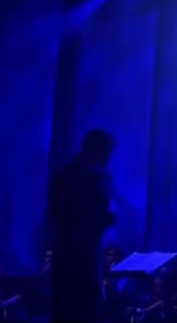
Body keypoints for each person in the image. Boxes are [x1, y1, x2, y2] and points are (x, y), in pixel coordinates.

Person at [47, 128, 116, 323]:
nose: (108, 159)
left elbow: (57, 214)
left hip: (63, 260)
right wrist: (107, 216)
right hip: (83, 261)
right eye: (107, 153)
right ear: (98, 151)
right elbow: (90, 219)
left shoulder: (63, 174)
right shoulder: (92, 180)